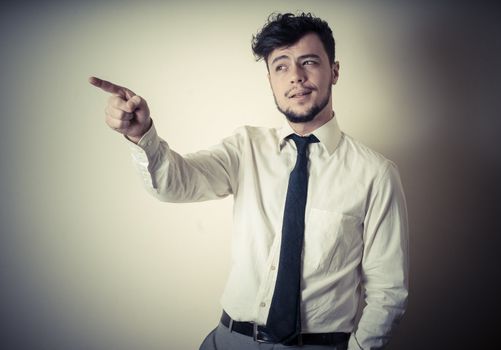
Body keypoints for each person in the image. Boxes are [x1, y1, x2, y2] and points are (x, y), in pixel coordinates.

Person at [89, 12, 408, 350]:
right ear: (270, 80)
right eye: (281, 67)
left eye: (309, 62)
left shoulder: (375, 174)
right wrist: (142, 134)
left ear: (335, 71)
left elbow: (389, 289)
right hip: (229, 340)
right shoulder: (245, 148)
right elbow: (174, 184)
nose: (296, 77)